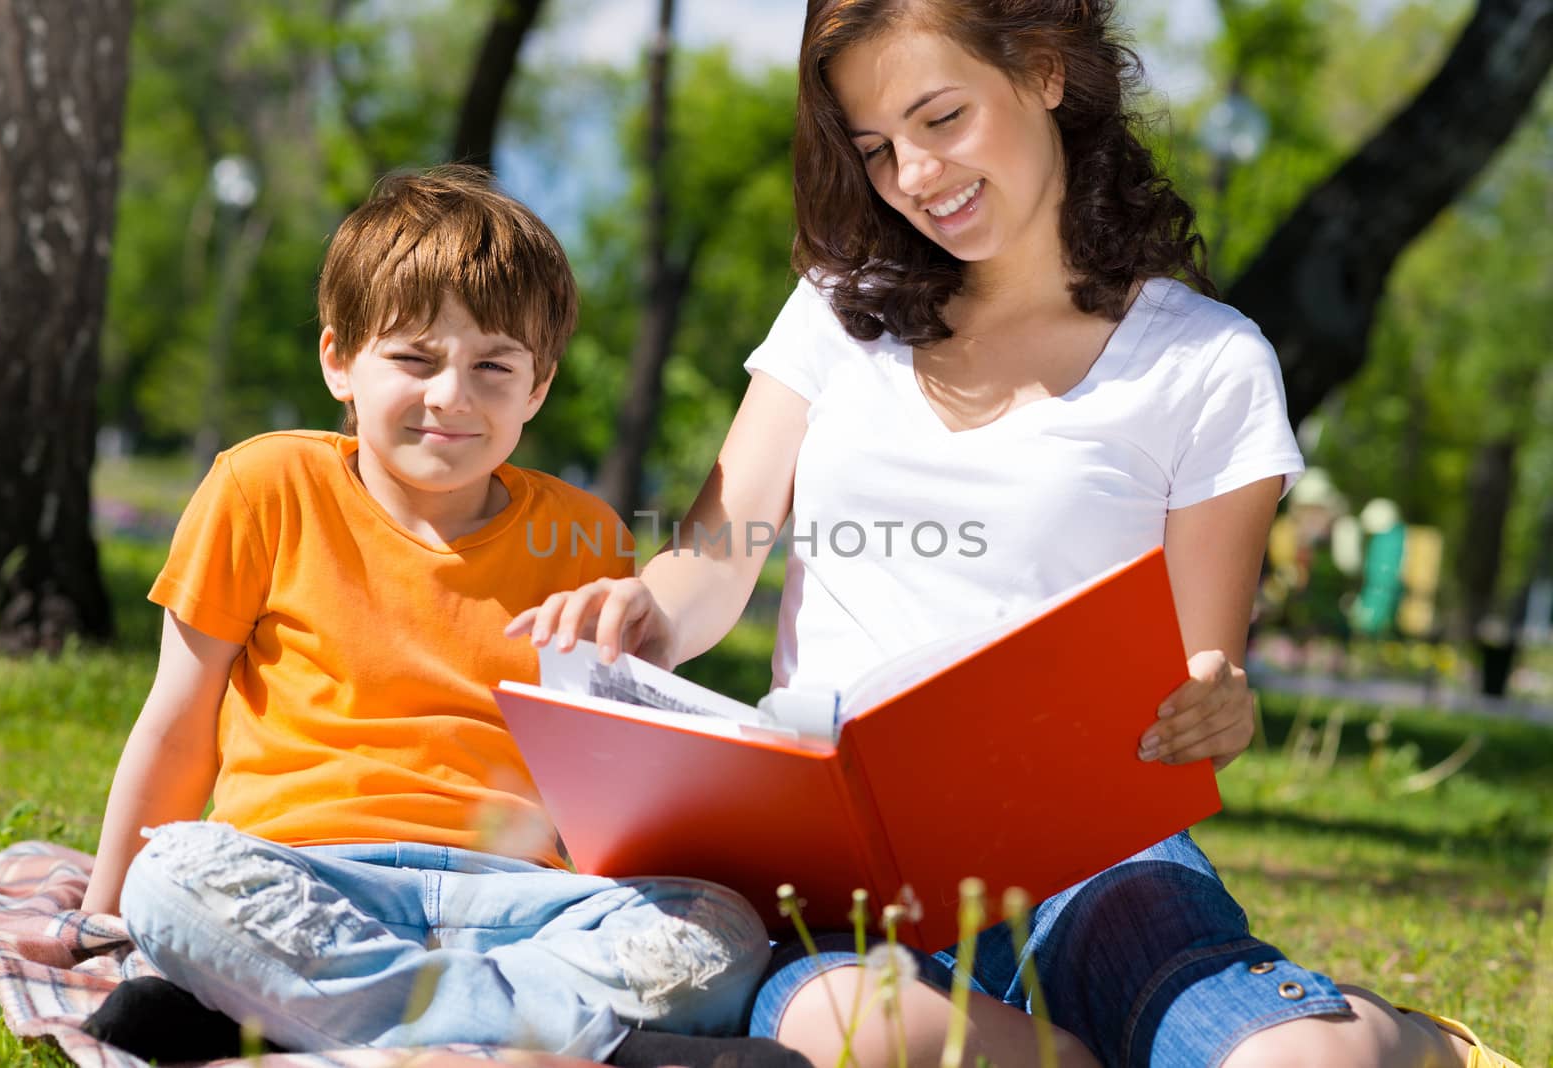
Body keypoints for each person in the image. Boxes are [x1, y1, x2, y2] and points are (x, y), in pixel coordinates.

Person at [505, 2, 1521, 1066]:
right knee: (853, 1031)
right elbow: (707, 566)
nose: (915, 174)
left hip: (1089, 858)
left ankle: (1405, 1042)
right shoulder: (832, 311)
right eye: (878, 151)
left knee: (1297, 1063)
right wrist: (644, 615)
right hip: (844, 879)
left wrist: (1215, 698)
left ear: (1041, 71)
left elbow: (1195, 664)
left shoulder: (1208, 362)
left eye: (940, 117)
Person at [77, 165, 805, 1068]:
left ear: (537, 388)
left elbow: (606, 773)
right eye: (415, 359)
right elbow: (177, 721)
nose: (452, 396)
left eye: (494, 366)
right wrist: (106, 914)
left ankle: (287, 1017)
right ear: (339, 360)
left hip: (517, 905)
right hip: (306, 879)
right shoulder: (263, 486)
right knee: (173, 881)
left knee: (722, 930)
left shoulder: (584, 536)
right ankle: (567, 1039)